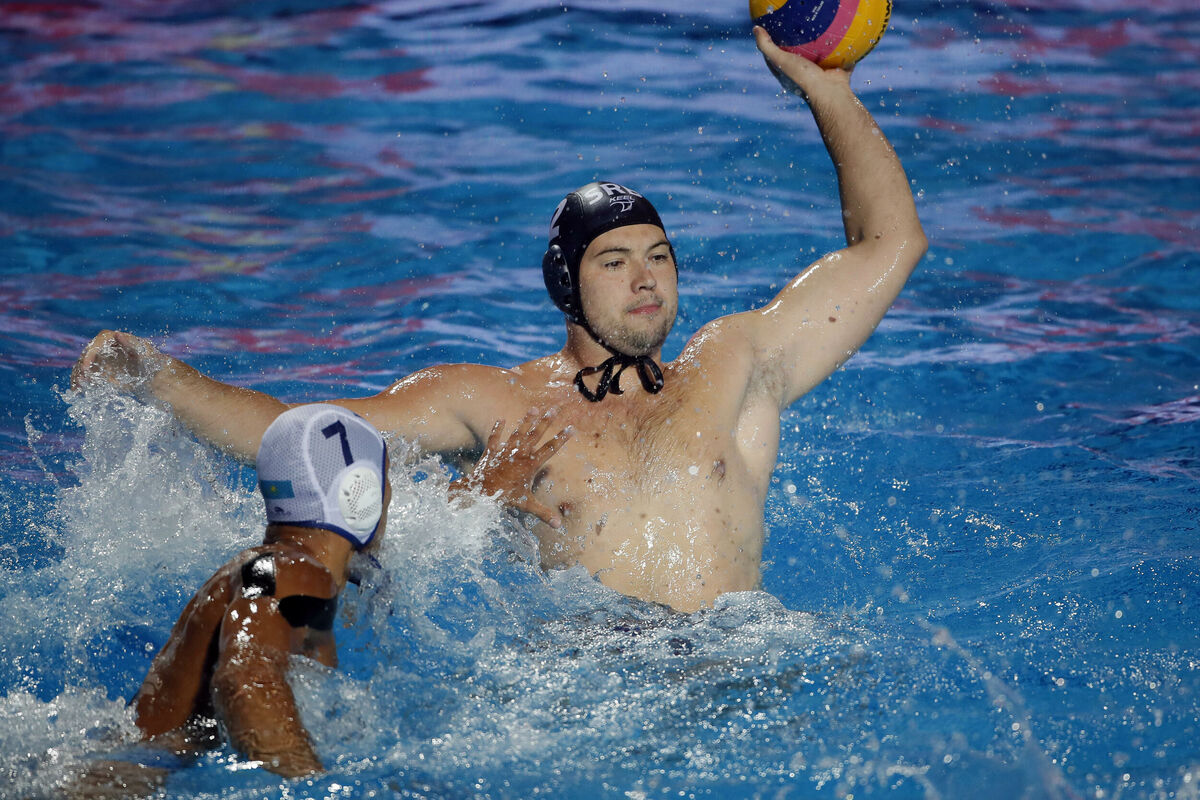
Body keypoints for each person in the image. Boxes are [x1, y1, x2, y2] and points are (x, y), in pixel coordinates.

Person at [72, 28, 927, 614]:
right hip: (593, 690)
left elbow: (890, 243)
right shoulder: (497, 403)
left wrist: (827, 92)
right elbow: (308, 435)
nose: (646, 279)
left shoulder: (733, 365)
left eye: (660, 256)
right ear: (566, 285)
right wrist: (159, 378)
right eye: (614, 261)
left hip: (744, 665)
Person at [131, 403, 389, 778]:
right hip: (129, 781)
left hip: (137, 768)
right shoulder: (294, 571)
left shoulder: (270, 567)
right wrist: (312, 783)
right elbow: (245, 677)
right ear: (360, 494)